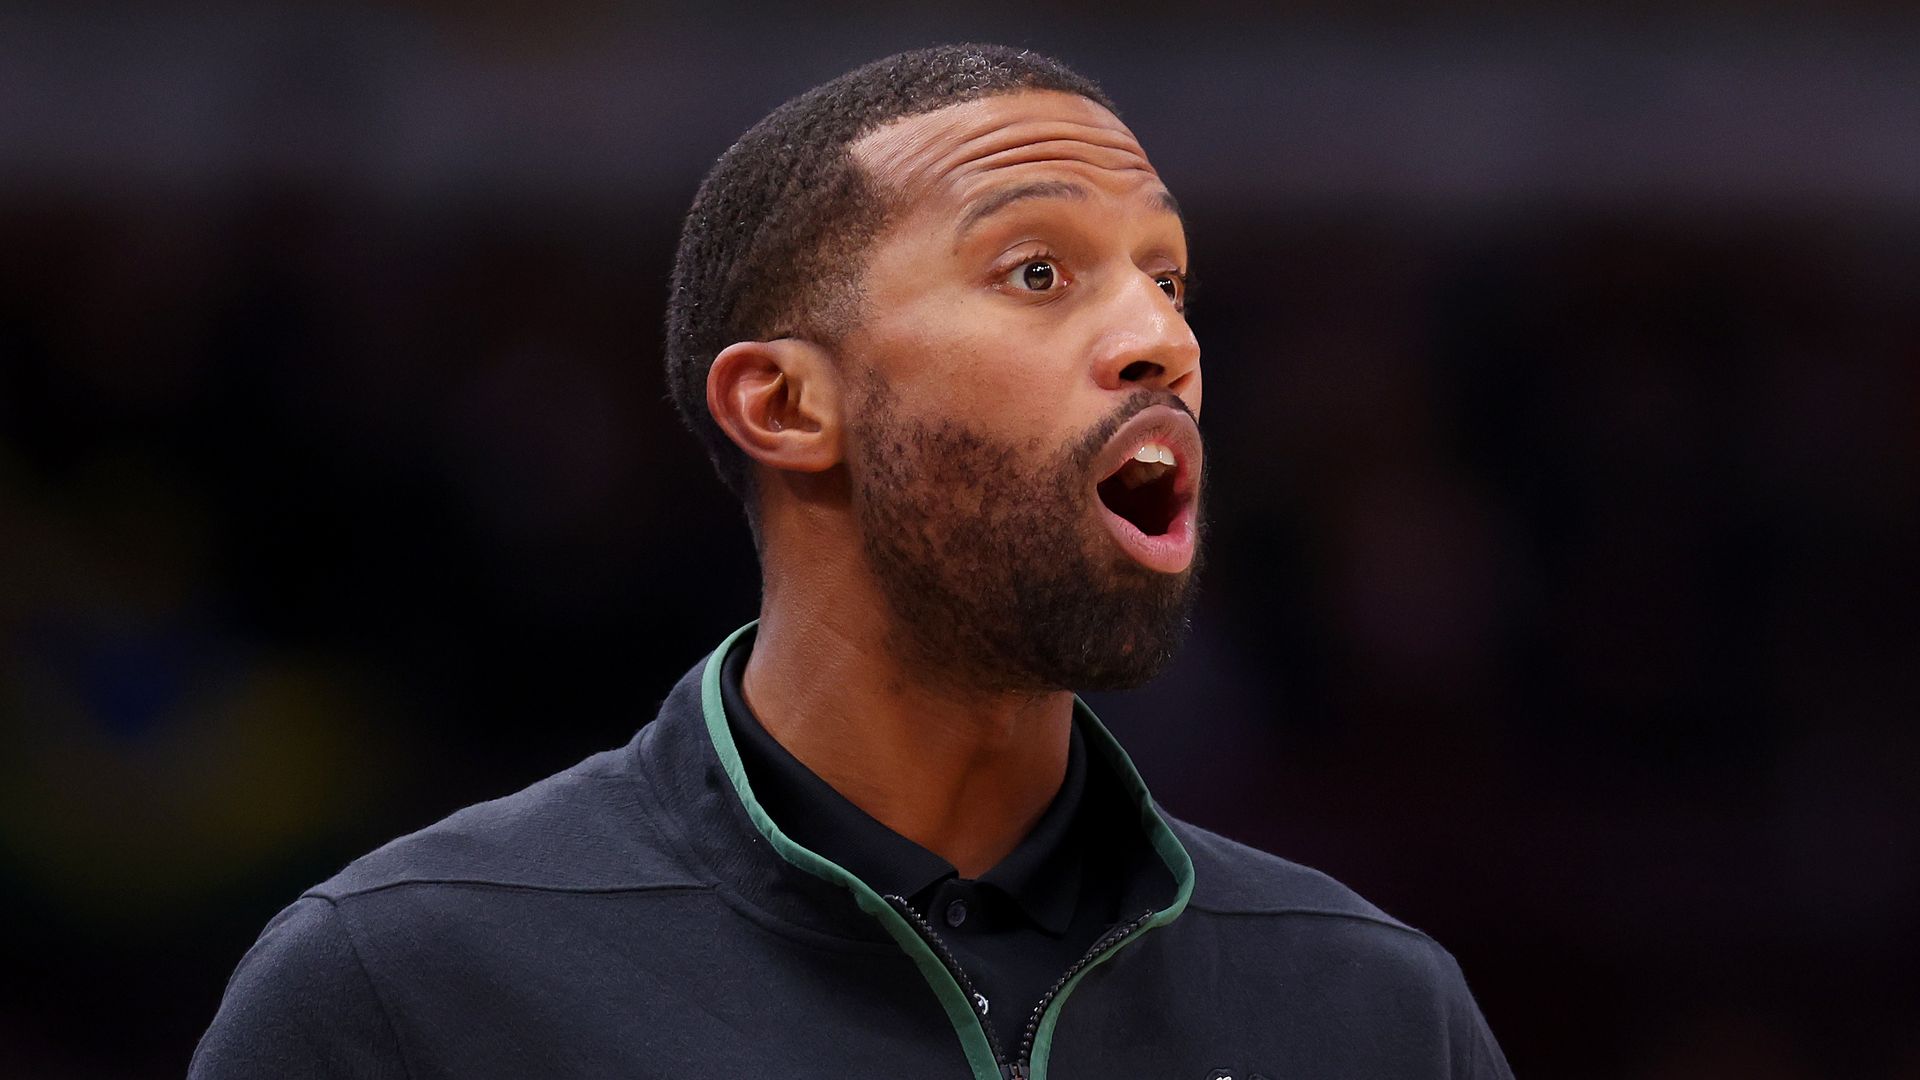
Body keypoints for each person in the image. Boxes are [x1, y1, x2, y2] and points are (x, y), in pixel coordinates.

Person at [191, 44, 1512, 1079]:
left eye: (1168, 280)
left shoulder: (1371, 1006)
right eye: (1040, 269)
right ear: (784, 406)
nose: (1160, 338)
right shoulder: (406, 987)